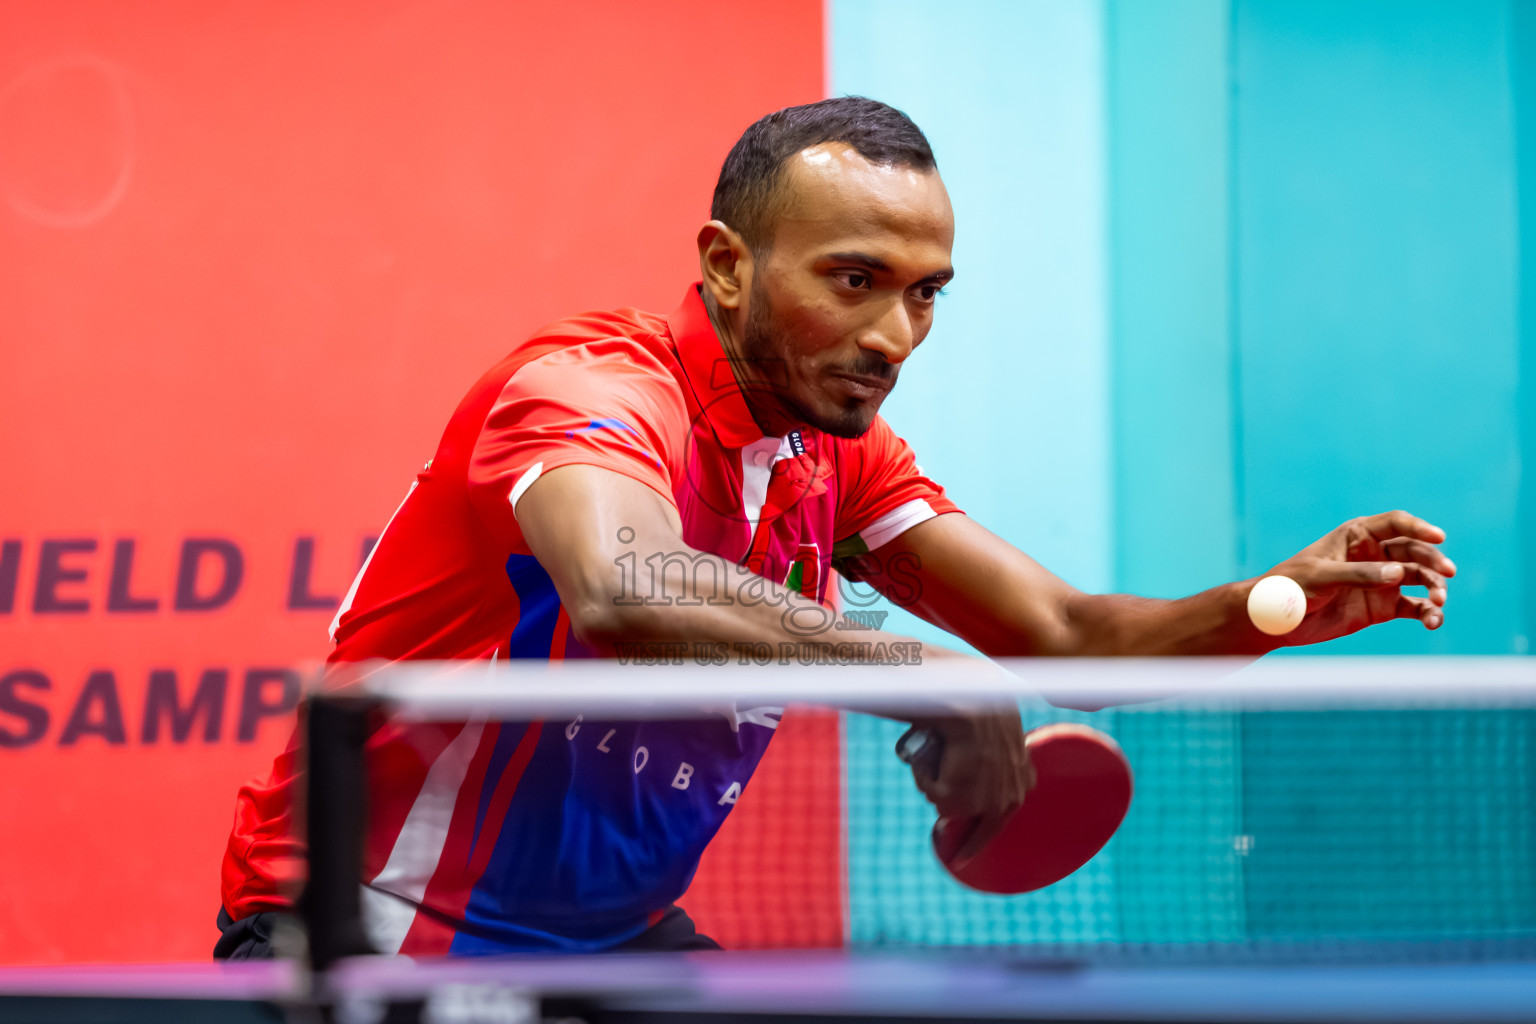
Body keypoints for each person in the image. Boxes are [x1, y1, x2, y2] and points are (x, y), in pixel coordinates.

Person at [216, 97, 1454, 958]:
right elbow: (623, 582)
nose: (893, 338)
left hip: (604, 944)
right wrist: (921, 674)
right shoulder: (590, 385)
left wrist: (1262, 607)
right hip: (369, 924)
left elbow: (1063, 632)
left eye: (925, 297)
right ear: (727, 264)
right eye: (853, 280)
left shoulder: (837, 461)